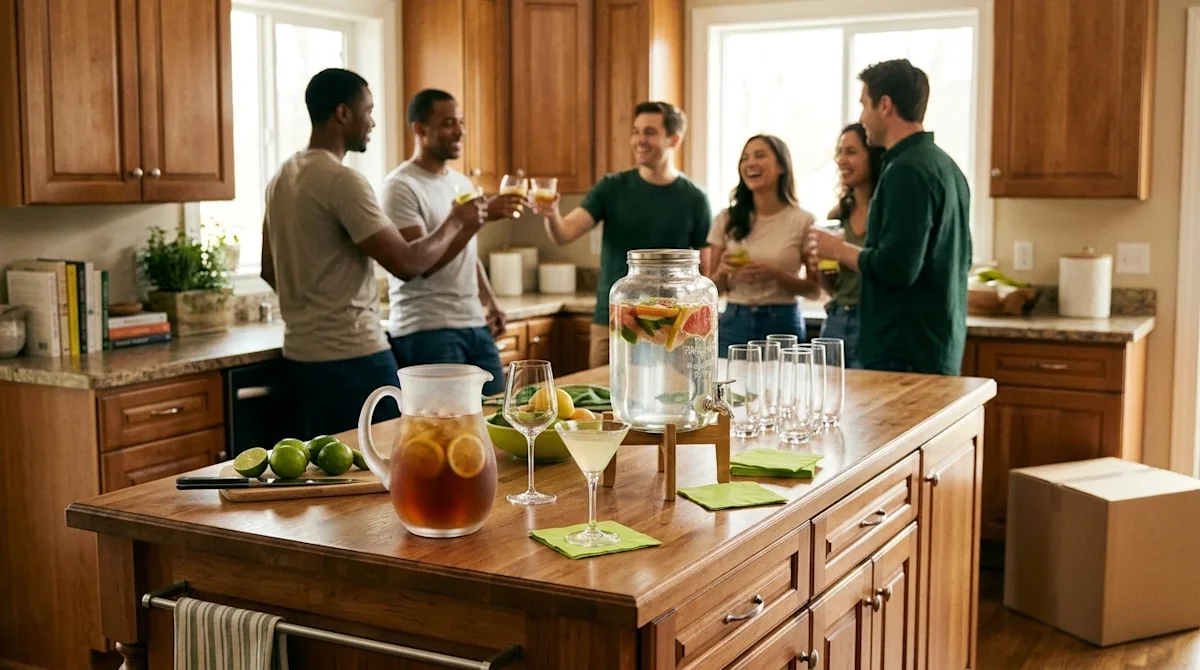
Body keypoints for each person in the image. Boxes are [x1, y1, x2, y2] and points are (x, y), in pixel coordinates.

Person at [260, 68, 489, 438]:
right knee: (396, 463)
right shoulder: (343, 181)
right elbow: (407, 264)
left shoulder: (281, 178)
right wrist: (456, 220)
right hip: (354, 354)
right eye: (367, 110)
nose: (373, 122)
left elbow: (269, 271)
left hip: (301, 357)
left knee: (335, 474)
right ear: (342, 113)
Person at [806, 59, 972, 375]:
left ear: (885, 105)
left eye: (864, 105)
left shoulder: (906, 170)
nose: (861, 118)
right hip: (936, 345)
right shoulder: (946, 167)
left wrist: (837, 250)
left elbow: (897, 267)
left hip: (901, 349)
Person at [532, 101, 712, 368]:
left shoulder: (695, 198)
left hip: (672, 326)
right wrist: (551, 214)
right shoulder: (611, 187)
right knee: (604, 400)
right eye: (635, 131)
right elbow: (564, 233)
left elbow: (703, 270)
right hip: (613, 318)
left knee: (670, 400)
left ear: (674, 138)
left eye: (649, 132)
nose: (639, 140)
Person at [381, 89, 523, 396]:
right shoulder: (401, 187)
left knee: (497, 417)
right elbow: (421, 265)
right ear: (419, 128)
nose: (460, 131)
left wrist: (490, 301)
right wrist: (478, 218)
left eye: (460, 122)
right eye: (448, 123)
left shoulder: (461, 183)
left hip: (473, 323)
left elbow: (466, 253)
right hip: (427, 330)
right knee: (447, 429)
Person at [704, 135, 820, 356]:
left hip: (783, 324)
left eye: (760, 155)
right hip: (734, 322)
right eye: (745, 158)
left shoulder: (803, 220)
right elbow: (711, 290)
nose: (750, 163)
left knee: (784, 389)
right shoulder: (725, 219)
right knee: (729, 388)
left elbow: (814, 291)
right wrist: (722, 272)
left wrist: (776, 274)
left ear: (781, 167)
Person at [808, 123, 884, 369]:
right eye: (839, 152)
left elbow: (888, 270)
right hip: (837, 319)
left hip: (873, 321)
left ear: (872, 155)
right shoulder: (838, 215)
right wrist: (821, 266)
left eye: (851, 152)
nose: (841, 160)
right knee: (828, 400)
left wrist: (841, 252)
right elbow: (832, 287)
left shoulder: (886, 213)